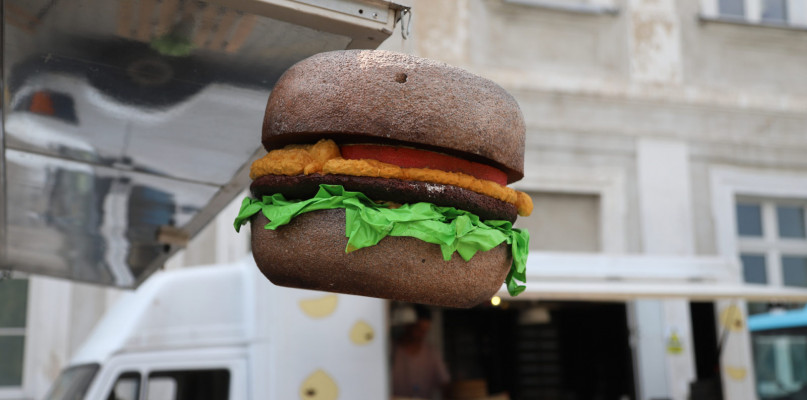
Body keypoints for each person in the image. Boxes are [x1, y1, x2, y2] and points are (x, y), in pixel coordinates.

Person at [392, 305, 451, 399]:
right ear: (407, 326)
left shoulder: (432, 353)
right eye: (418, 329)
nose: (422, 335)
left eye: (425, 331)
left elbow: (445, 383)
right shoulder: (391, 351)